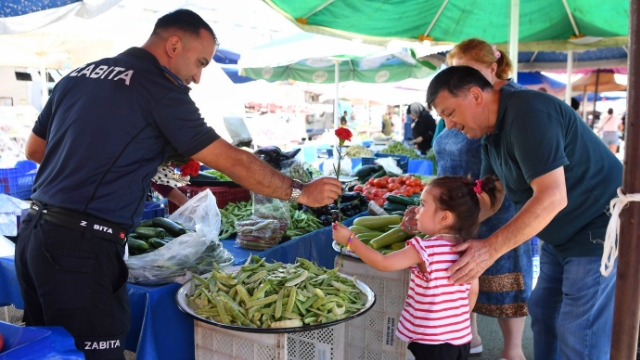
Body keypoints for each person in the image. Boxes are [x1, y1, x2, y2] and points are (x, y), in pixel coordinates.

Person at [18, 9, 341, 359]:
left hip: (35, 237)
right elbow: (232, 160)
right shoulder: (159, 87)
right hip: (82, 250)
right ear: (174, 44)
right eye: (200, 62)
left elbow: (36, 150)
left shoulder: (78, 76)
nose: (198, 77)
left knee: (45, 352)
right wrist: (301, 192)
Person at [426, 65, 622, 360]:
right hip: (559, 235)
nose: (449, 125)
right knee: (544, 313)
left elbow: (553, 197)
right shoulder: (491, 135)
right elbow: (491, 196)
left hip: (597, 228)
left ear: (476, 95)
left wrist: (490, 249)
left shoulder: (529, 113)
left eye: (450, 112)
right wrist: (437, 223)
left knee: (578, 330)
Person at [435, 38, 532, 360]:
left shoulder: (514, 104)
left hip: (502, 206)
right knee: (461, 274)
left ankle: (512, 350)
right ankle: (470, 336)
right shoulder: (453, 104)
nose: (458, 78)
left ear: (492, 68)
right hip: (461, 205)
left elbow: (508, 174)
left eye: (467, 70)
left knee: (507, 275)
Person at [334, 175, 503, 360]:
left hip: (430, 341)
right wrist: (453, 321)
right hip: (460, 337)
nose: (417, 211)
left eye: (422, 204)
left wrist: (350, 240)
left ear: (444, 217)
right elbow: (473, 292)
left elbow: (383, 263)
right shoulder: (469, 252)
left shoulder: (424, 250)